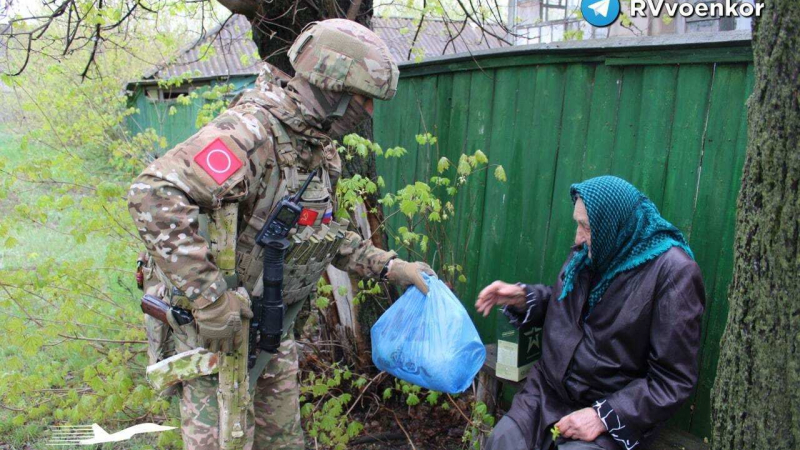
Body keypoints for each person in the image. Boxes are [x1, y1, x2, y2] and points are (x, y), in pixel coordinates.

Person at [128, 19, 434, 450]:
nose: (368, 111)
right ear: (333, 84)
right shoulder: (252, 132)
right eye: (364, 98)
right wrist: (210, 297)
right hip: (216, 334)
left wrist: (389, 265)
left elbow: (321, 232)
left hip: (270, 327)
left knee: (284, 442)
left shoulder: (316, 149)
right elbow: (153, 193)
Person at [475, 176, 705, 450]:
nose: (578, 237)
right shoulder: (597, 248)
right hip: (546, 395)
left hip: (611, 410)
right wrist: (526, 298)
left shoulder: (673, 272)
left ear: (612, 224)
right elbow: (571, 306)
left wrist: (604, 415)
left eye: (585, 226)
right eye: (578, 223)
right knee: (501, 442)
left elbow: (672, 379)